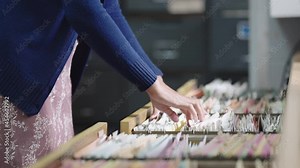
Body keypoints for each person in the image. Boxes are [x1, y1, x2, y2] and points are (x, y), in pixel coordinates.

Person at [0, 0, 204, 167]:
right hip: (18, 70)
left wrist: (155, 80)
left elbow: (107, 7)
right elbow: (82, 7)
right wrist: (151, 84)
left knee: (58, 158)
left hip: (47, 70)